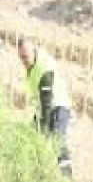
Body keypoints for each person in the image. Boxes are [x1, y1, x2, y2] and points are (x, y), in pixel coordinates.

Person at [17, 36, 72, 174]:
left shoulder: (44, 67)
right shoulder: (32, 65)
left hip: (58, 106)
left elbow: (46, 104)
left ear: (33, 51)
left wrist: (44, 128)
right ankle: (34, 174)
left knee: (57, 140)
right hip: (43, 106)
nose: (23, 61)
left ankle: (66, 179)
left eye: (25, 56)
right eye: (21, 57)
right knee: (29, 138)